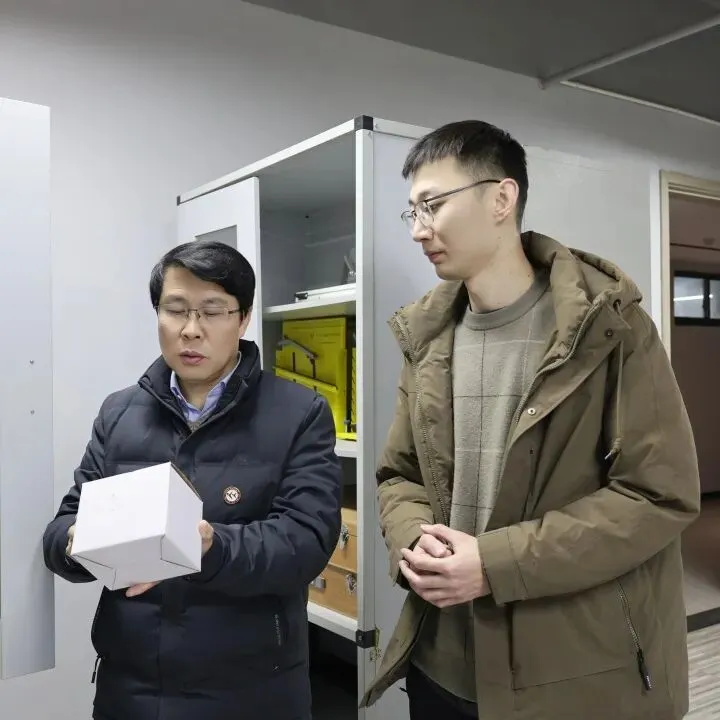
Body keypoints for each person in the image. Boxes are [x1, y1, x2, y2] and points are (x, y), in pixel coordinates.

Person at [361, 121, 700, 720]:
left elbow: (657, 495)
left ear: (501, 198)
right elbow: (400, 474)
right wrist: (414, 537)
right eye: (412, 211)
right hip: (440, 666)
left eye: (432, 205)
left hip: (570, 676)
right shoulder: (428, 337)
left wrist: (494, 564)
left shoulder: (608, 327)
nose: (418, 229)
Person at [43, 239, 342, 720]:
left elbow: (305, 542)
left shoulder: (298, 413)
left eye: (213, 311)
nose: (190, 329)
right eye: (175, 310)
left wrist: (208, 546)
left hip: (252, 691)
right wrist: (78, 541)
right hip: (132, 689)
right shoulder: (119, 413)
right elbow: (63, 526)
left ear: (243, 319)